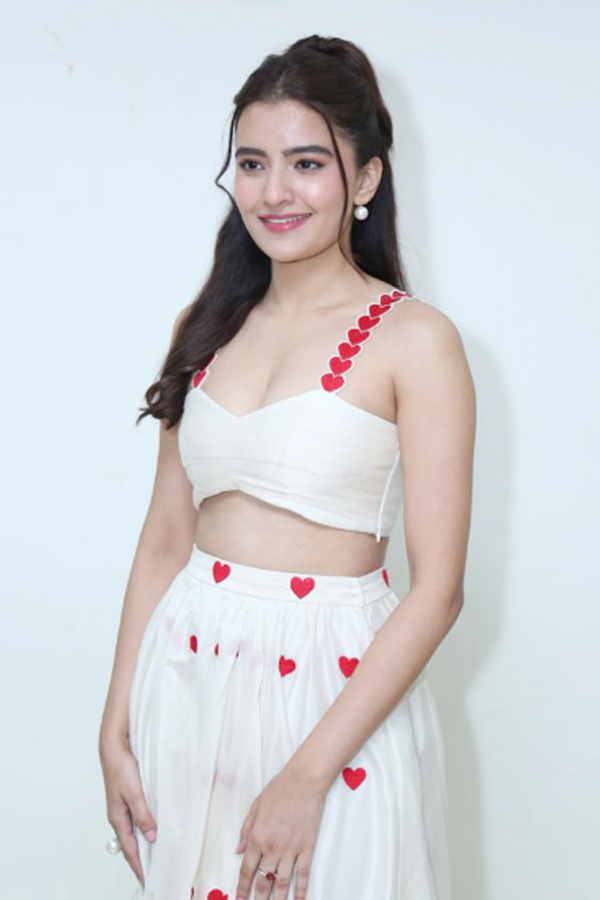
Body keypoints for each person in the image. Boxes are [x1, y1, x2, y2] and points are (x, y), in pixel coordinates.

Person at [99, 33, 476, 900]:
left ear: (366, 179)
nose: (274, 192)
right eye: (252, 163)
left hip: (336, 706)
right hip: (187, 679)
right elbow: (164, 542)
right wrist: (115, 721)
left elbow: (438, 592)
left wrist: (306, 777)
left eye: (307, 163)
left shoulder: (417, 342)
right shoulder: (207, 325)